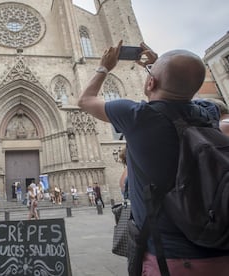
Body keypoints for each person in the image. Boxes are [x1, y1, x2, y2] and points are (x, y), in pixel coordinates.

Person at [78, 40, 229, 275]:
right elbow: (186, 89)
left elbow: (85, 100)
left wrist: (105, 67)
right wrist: (159, 64)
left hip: (169, 259)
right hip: (220, 255)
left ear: (150, 82)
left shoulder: (138, 117)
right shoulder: (208, 113)